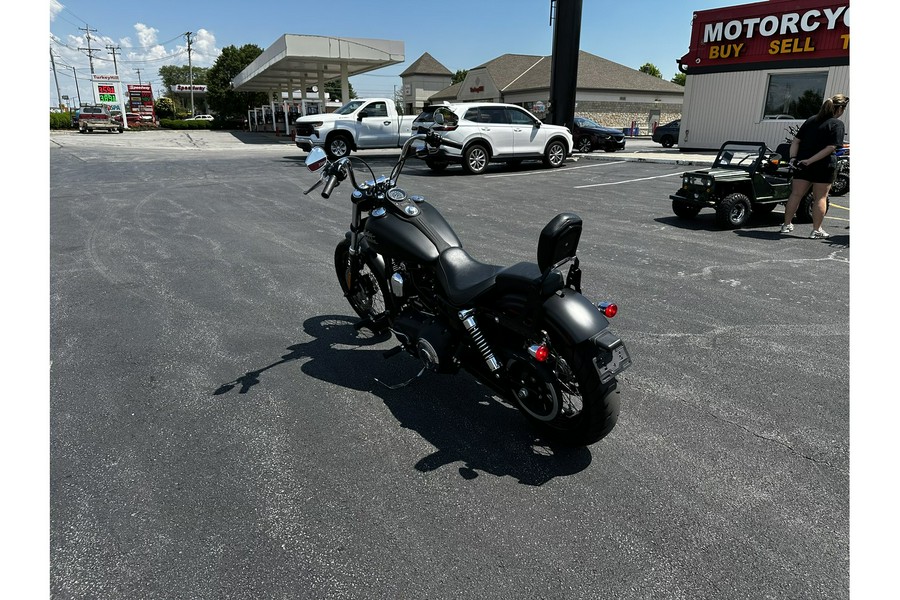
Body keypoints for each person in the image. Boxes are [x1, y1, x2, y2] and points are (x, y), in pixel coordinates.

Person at [780, 94, 849, 238]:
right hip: (823, 166)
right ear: (840, 109)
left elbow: (796, 141)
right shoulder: (837, 124)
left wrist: (793, 158)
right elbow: (831, 147)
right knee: (820, 198)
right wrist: (811, 160)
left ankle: (786, 225)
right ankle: (816, 230)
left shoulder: (811, 120)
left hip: (802, 164)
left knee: (796, 194)